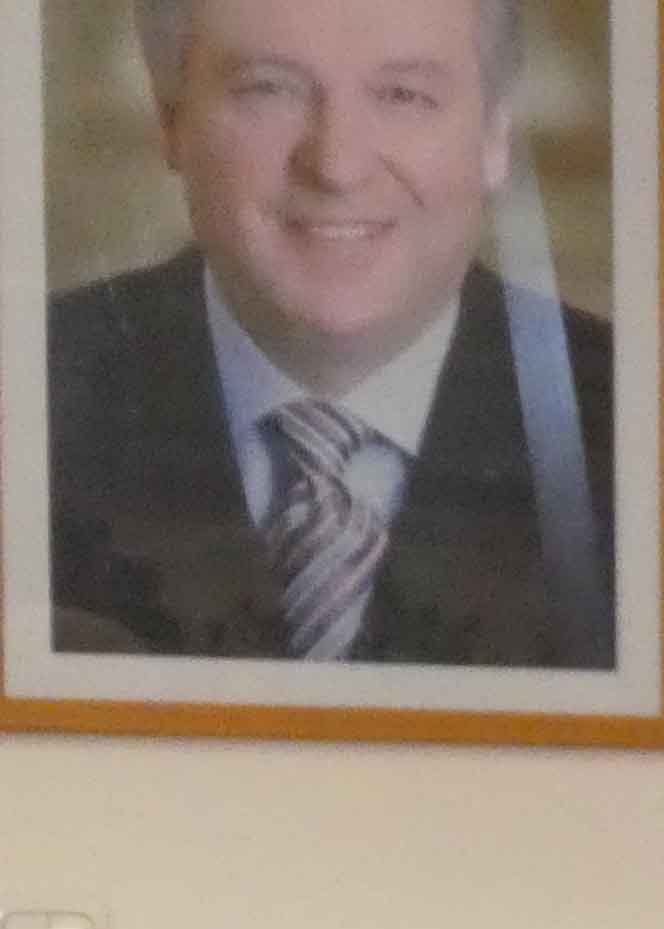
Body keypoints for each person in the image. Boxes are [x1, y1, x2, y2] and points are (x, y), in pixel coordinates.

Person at [44, 0, 618, 668]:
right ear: (171, 121)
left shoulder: (636, 430)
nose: (337, 165)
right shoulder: (29, 391)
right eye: (269, 89)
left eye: (403, 95)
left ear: (495, 132)